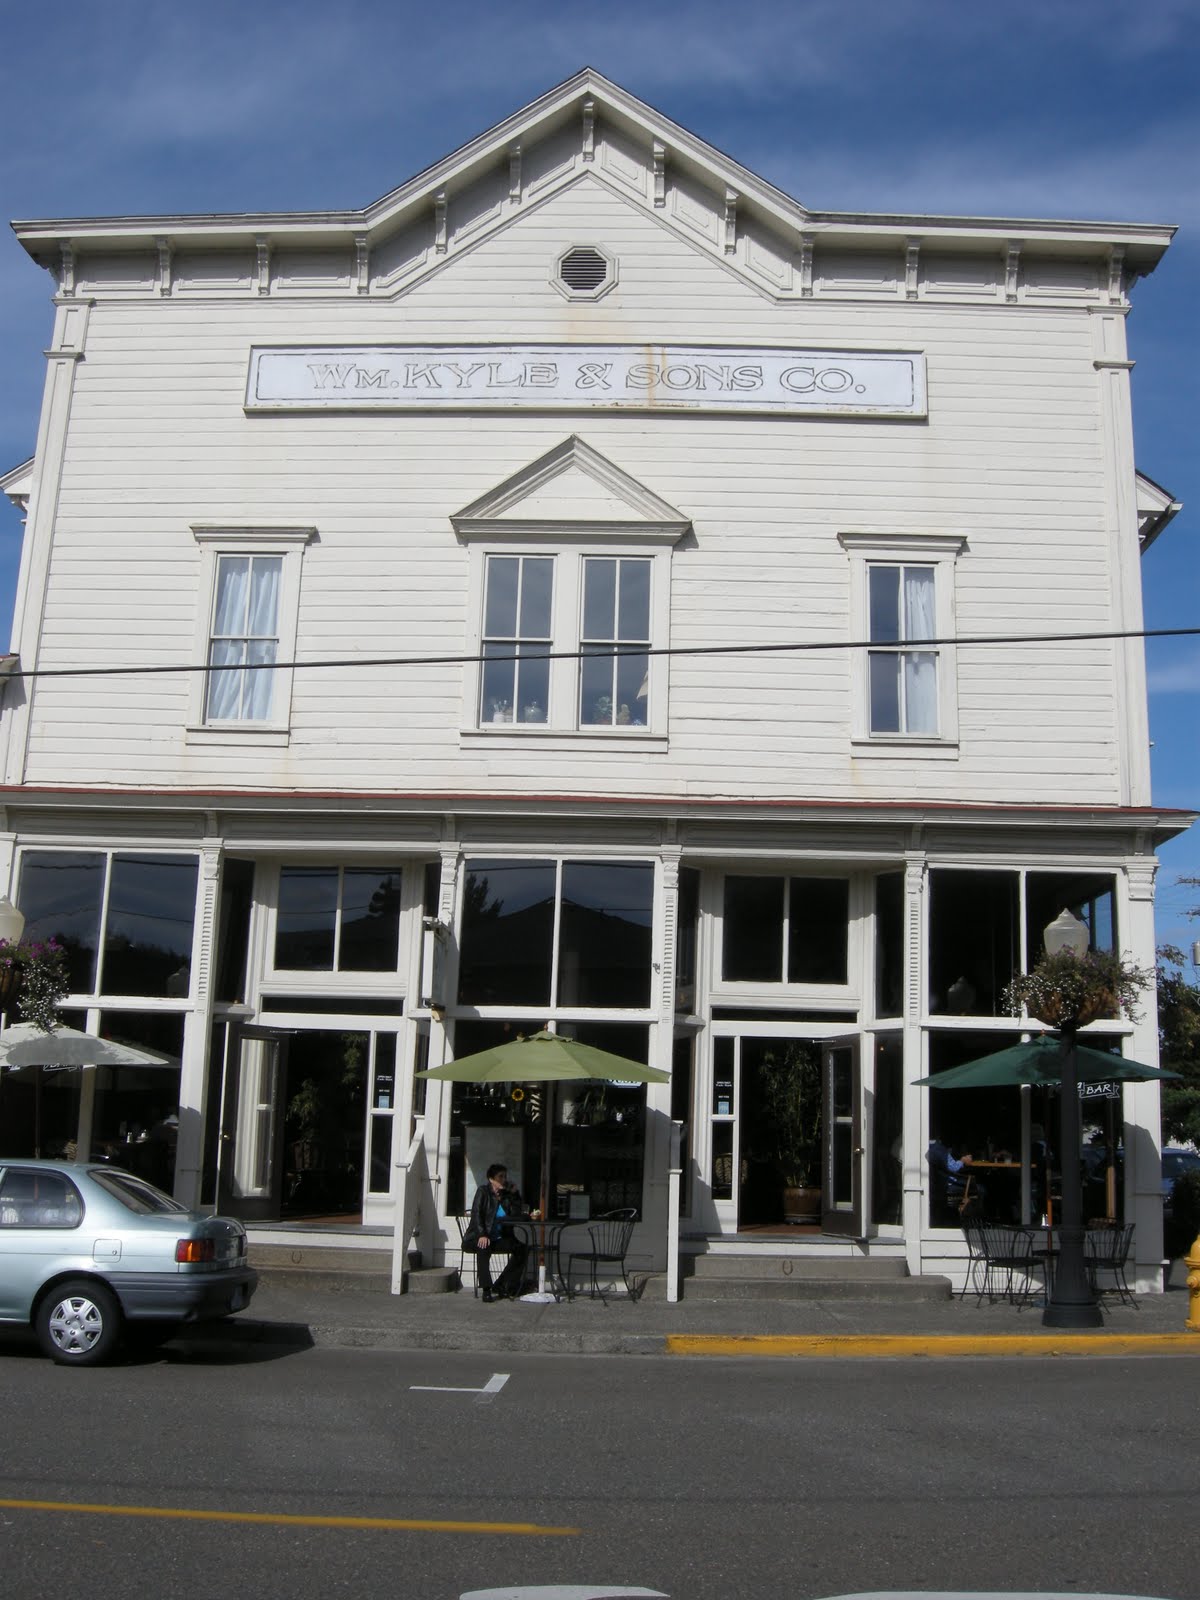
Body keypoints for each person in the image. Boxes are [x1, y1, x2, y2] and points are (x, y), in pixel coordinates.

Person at [462, 1163, 530, 1302]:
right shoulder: (483, 1191)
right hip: (477, 1237)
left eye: (505, 1176)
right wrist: (482, 1234)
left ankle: (501, 1284)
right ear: (491, 1179)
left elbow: (516, 1214)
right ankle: (486, 1289)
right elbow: (477, 1214)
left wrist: (515, 1194)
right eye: (500, 1176)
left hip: (498, 1238)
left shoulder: (505, 1196)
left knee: (522, 1249)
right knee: (483, 1247)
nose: (504, 1179)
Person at [927, 1134, 973, 1224]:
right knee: (980, 1189)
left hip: (935, 1184)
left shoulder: (927, 1147)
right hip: (946, 1184)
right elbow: (953, 1167)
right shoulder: (939, 1149)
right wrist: (963, 1161)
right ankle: (970, 1220)